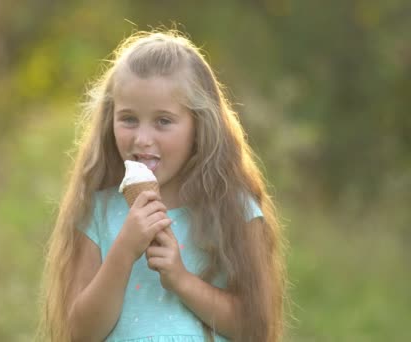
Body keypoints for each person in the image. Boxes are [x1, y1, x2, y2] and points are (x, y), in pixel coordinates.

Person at [39, 30, 287, 342]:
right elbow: (79, 333)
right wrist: (125, 249)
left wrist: (182, 280)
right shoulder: (98, 212)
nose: (142, 139)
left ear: (198, 125)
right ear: (110, 120)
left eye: (163, 121)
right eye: (128, 119)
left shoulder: (233, 210)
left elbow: (255, 328)